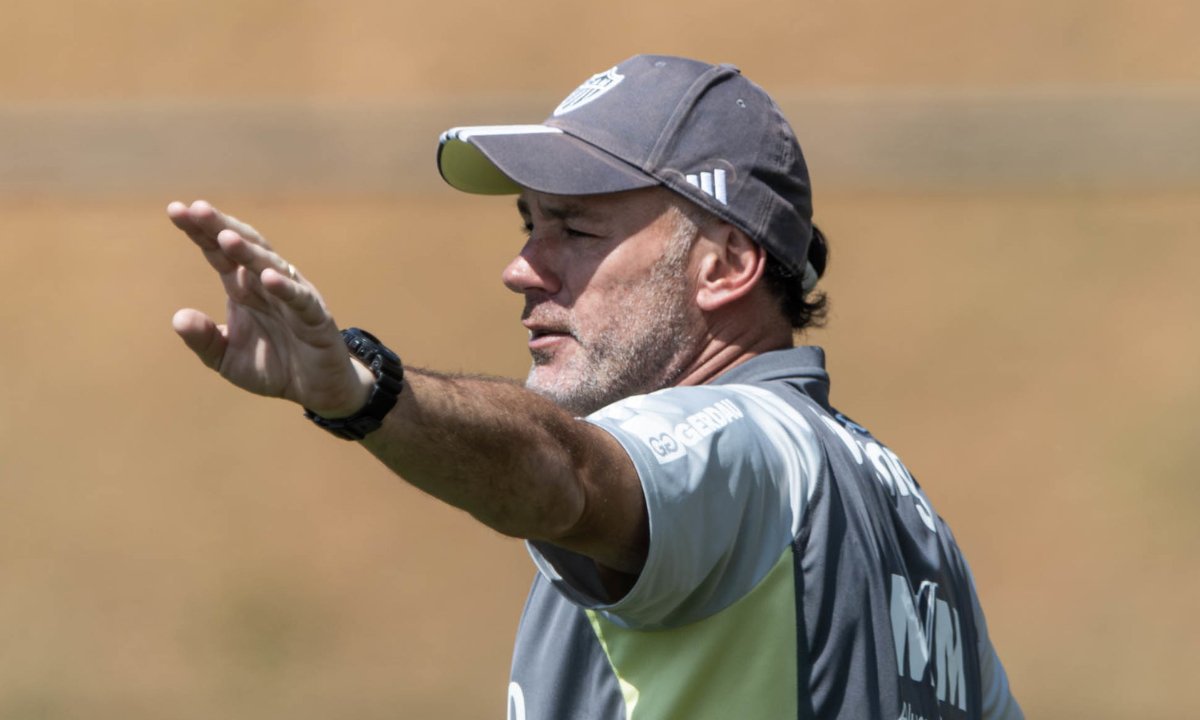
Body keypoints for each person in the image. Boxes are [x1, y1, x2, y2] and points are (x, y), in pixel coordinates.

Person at [168, 54, 1023, 720]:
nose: (520, 270)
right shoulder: (915, 526)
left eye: (575, 228)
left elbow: (567, 476)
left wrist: (365, 391)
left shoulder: (736, 438)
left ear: (724, 266)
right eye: (528, 226)